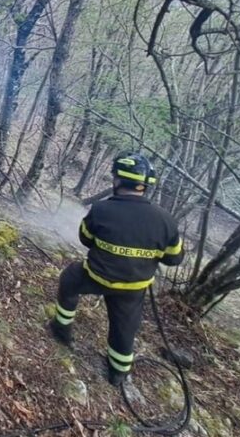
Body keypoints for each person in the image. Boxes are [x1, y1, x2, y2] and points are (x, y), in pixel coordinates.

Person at [48, 152, 183, 386]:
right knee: (125, 326)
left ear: (117, 180)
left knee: (70, 279)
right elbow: (174, 259)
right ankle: (118, 372)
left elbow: (85, 238)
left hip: (95, 276)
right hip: (133, 288)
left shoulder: (101, 209)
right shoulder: (166, 221)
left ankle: (62, 328)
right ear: (145, 186)